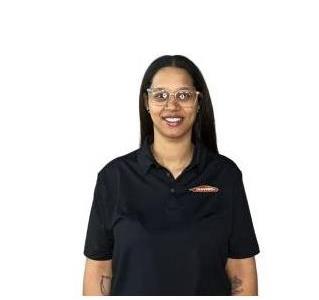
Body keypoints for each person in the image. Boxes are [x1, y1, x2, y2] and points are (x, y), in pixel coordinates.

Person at [82, 55, 260, 296]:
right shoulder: (114, 178)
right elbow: (99, 267)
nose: (172, 106)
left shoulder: (225, 176)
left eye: (183, 95)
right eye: (161, 95)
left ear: (198, 102)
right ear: (146, 102)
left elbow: (240, 267)